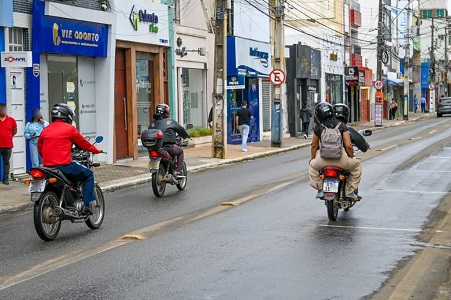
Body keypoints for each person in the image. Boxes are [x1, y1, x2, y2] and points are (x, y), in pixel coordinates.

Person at [38, 103, 101, 215]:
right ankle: (86, 207)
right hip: (64, 166)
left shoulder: (46, 130)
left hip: (47, 167)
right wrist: (96, 150)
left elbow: (40, 149)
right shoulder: (70, 129)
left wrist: (49, 160)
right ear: (67, 116)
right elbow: (84, 144)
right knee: (88, 175)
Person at [309, 102, 362, 200]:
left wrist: (312, 159)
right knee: (357, 166)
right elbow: (348, 145)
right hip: (341, 159)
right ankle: (349, 192)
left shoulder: (318, 128)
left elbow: (314, 146)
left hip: (322, 159)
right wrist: (351, 157)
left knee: (312, 166)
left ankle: (320, 189)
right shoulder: (341, 125)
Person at [149, 104, 190, 175]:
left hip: (155, 148)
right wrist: (186, 136)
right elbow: (181, 130)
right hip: (168, 147)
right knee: (180, 151)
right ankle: (178, 171)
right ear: (167, 112)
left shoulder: (153, 123)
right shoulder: (170, 121)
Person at [0, 103, 17, 185]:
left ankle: (6, 179)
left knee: (6, 162)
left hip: (7, 145)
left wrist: (8, 137)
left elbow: (14, 131)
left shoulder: (11, 120)